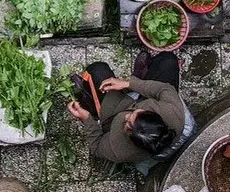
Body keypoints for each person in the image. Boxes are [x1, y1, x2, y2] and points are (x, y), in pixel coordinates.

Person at [66, 51, 196, 176]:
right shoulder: (172, 110)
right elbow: (164, 89)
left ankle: (90, 103)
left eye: (127, 125)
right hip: (141, 98)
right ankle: (140, 75)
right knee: (168, 60)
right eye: (134, 115)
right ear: (152, 114)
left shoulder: (120, 149)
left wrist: (87, 118)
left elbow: (96, 146)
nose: (127, 116)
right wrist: (129, 83)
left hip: (114, 111)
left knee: (96, 70)